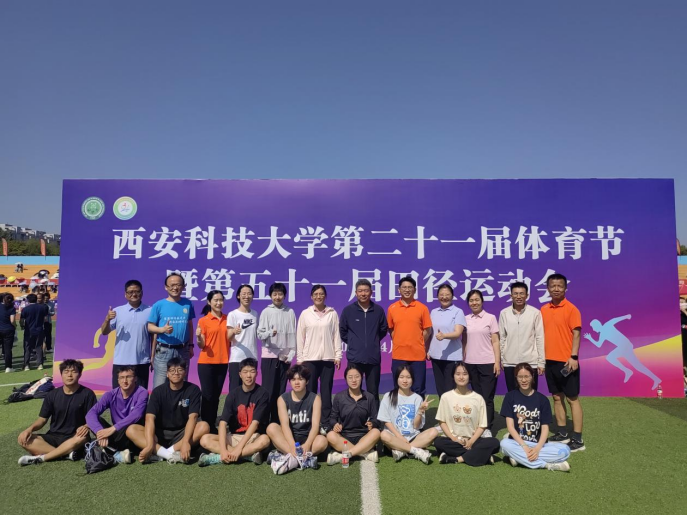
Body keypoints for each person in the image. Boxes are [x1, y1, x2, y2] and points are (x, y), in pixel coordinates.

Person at [17, 359, 97, 465]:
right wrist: (29, 429)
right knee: (23, 439)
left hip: (75, 436)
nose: (69, 375)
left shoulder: (88, 394)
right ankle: (66, 454)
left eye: (74, 372)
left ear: (80, 374)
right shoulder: (52, 394)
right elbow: (42, 420)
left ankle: (42, 458)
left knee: (82, 438)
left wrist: (86, 426)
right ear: (61, 374)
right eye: (66, 372)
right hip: (53, 436)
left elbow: (93, 418)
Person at [199, 358, 271, 466]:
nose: (248, 375)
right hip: (234, 436)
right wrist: (223, 449)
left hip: (253, 437)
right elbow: (223, 423)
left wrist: (238, 448)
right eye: (245, 372)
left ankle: (219, 458)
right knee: (205, 439)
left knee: (265, 440)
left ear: (257, 373)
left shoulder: (263, 394)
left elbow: (255, 424)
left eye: (252, 371)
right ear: (240, 374)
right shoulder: (233, 394)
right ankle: (247, 456)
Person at [500, 363, 571, 471]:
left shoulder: (542, 400)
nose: (524, 380)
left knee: (565, 450)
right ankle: (547, 465)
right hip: (518, 443)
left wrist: (537, 449)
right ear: (516, 378)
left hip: (538, 444)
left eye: (527, 376)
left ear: (532, 376)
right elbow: (510, 427)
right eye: (520, 377)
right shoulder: (510, 397)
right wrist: (524, 446)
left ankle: (519, 458)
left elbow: (545, 428)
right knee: (504, 444)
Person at [541, 273, 585, 452]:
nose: (556, 289)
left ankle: (578, 439)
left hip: (567, 362)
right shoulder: (543, 309)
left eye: (560, 286)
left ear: (565, 288)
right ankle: (562, 433)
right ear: (548, 288)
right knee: (556, 397)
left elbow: (577, 334)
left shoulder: (572, 309)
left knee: (572, 399)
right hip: (549, 361)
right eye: (553, 286)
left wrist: (573, 357)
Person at [139, 357, 209, 464]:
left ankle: (163, 453)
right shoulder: (157, 391)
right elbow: (149, 418)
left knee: (204, 426)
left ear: (185, 372)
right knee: (132, 430)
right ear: (167, 374)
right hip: (159, 434)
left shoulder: (193, 389)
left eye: (180, 370)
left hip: (182, 433)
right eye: (172, 370)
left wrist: (186, 442)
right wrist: (149, 445)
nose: (176, 373)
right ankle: (169, 455)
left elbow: (193, 417)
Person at [433, 361, 500, 466]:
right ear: (453, 376)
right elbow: (442, 421)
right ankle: (482, 455)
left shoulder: (478, 398)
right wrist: (454, 439)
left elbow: (482, 425)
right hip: (453, 440)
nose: (461, 377)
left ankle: (456, 458)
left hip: (473, 440)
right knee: (438, 442)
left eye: (465, 374)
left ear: (469, 376)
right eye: (458, 374)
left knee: (494, 443)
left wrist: (471, 441)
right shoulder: (446, 397)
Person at [297, 285, 342, 426]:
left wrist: (338, 355)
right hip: (310, 359)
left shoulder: (332, 313)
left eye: (321, 294)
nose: (318, 296)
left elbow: (336, 335)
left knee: (326, 391)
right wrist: (300, 358)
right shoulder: (305, 314)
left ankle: (326, 422)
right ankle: (310, 421)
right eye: (315, 294)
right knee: (310, 390)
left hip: (328, 358)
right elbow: (300, 337)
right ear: (311, 297)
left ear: (325, 296)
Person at [339, 279, 388, 408]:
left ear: (371, 292)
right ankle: (355, 417)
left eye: (366, 291)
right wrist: (354, 343)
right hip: (355, 358)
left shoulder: (378, 310)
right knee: (354, 391)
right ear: (356, 293)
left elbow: (383, 330)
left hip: (373, 358)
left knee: (373, 391)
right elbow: (343, 331)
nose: (363, 294)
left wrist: (372, 341)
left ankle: (374, 418)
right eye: (360, 291)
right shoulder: (348, 311)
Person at [85, 365, 149, 464]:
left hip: (134, 435)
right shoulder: (110, 394)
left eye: (128, 377)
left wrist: (113, 428)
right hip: (118, 435)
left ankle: (112, 451)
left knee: (131, 428)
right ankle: (116, 452)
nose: (125, 381)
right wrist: (100, 432)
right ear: (118, 380)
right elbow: (90, 414)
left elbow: (137, 415)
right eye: (122, 378)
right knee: (96, 420)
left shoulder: (142, 392)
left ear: (135, 378)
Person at [266, 364, 328, 461]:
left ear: (307, 381)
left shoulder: (315, 398)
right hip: (289, 438)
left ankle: (290, 458)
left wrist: (307, 444)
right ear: (289, 381)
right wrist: (292, 445)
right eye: (293, 379)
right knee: (271, 427)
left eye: (300, 379)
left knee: (322, 441)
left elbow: (315, 426)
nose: (297, 383)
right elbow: (285, 425)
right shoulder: (282, 399)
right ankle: (301, 458)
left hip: (307, 437)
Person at [378, 365, 437, 464]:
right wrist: (399, 437)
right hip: (395, 436)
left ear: (412, 379)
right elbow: (386, 420)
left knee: (434, 432)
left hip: (413, 437)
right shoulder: (388, 396)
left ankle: (401, 451)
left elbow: (416, 426)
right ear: (396, 379)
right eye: (401, 377)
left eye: (408, 377)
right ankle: (415, 450)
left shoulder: (417, 398)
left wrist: (420, 411)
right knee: (383, 435)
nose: (405, 381)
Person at [147, 273, 196, 389]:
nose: (175, 288)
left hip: (183, 350)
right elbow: (150, 327)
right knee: (160, 385)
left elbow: (190, 326)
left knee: (181, 383)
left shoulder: (188, 304)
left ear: (183, 287)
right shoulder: (158, 305)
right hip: (164, 350)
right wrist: (162, 329)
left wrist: (191, 345)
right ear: (166, 287)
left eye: (178, 285)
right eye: (172, 285)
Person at [101, 280, 152, 389]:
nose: (134, 294)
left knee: (141, 394)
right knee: (119, 394)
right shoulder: (117, 311)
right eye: (130, 292)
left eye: (137, 291)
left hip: (141, 361)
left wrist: (153, 357)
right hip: (121, 361)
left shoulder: (150, 311)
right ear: (125, 294)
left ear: (142, 293)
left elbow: (154, 336)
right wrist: (107, 319)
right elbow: (104, 332)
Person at [257, 282, 297, 423]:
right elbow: (260, 334)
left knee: (281, 391)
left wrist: (291, 354)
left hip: (284, 358)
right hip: (269, 356)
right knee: (268, 391)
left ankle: (276, 422)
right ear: (270, 296)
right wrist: (269, 333)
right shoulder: (266, 312)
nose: (277, 297)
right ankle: (263, 423)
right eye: (275, 294)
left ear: (284, 295)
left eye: (280, 294)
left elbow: (293, 334)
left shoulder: (290, 312)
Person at [326, 364, 381, 465]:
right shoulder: (339, 397)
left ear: (362, 377)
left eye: (357, 376)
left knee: (376, 432)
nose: (354, 380)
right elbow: (332, 418)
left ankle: (344, 455)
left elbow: (376, 419)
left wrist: (372, 424)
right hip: (344, 437)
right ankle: (364, 454)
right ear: (346, 379)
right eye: (350, 377)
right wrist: (335, 424)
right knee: (330, 435)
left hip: (364, 436)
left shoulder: (369, 397)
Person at [387, 276, 432, 396]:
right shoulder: (392, 308)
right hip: (399, 355)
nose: (407, 290)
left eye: (410, 287)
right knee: (399, 388)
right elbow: (391, 329)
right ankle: (399, 409)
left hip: (417, 356)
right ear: (399, 290)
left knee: (418, 389)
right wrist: (399, 340)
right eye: (404, 287)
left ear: (415, 290)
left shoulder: (422, 308)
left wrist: (417, 341)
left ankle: (419, 409)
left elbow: (427, 330)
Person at [464, 289, 500, 435]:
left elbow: (496, 341)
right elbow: (464, 341)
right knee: (475, 397)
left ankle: (487, 428)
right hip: (470, 363)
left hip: (487, 362)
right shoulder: (465, 319)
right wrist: (463, 360)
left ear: (482, 301)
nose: (474, 303)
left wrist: (497, 362)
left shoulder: (490, 318)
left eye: (477, 300)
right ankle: (476, 425)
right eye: (471, 300)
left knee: (487, 397)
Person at [499, 281, 545, 392]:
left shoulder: (535, 313)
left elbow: (539, 337)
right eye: (515, 293)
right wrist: (502, 358)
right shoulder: (504, 313)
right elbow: (502, 338)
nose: (518, 296)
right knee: (512, 394)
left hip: (530, 361)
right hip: (510, 362)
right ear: (511, 296)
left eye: (521, 293)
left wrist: (541, 362)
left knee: (531, 394)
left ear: (527, 295)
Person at [196, 290, 230, 433]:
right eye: (215, 300)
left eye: (221, 300)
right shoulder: (203, 320)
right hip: (206, 363)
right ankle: (205, 425)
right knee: (207, 395)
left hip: (223, 362)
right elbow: (201, 345)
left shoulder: (228, 319)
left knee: (216, 395)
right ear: (209, 302)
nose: (218, 303)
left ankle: (212, 425)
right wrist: (199, 337)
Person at [428, 283, 467, 397]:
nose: (444, 297)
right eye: (441, 294)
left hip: (452, 357)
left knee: (450, 390)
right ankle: (443, 409)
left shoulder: (458, 312)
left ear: (452, 296)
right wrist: (428, 350)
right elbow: (430, 333)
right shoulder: (434, 312)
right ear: (437, 296)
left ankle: (453, 409)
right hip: (436, 356)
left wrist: (444, 336)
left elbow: (458, 333)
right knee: (440, 389)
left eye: (447, 294)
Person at [227, 284, 260, 391]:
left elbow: (258, 334)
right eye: (244, 294)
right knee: (235, 390)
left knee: (250, 389)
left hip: (252, 356)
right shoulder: (233, 314)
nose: (246, 296)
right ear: (238, 296)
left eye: (249, 294)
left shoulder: (255, 314)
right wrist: (233, 331)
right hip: (237, 358)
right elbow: (229, 337)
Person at [19, 293, 49, 371]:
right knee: (39, 347)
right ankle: (40, 364)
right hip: (39, 329)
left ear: (28, 300)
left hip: (29, 330)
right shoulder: (42, 308)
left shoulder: (25, 309)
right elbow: (45, 319)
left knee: (27, 348)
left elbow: (21, 320)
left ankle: (26, 365)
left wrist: (22, 326)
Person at [1, 293, 17, 373]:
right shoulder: (12, 308)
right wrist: (15, 325)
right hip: (8, 330)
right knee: (7, 349)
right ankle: (8, 367)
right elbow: (12, 320)